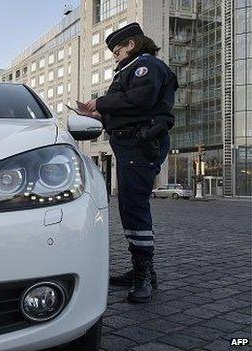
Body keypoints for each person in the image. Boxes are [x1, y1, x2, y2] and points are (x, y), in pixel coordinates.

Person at [85, 23, 178, 303]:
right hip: (131, 144)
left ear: (132, 45)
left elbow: (140, 99)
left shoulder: (144, 65)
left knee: (135, 207)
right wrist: (100, 116)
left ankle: (144, 275)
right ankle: (142, 270)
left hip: (139, 144)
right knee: (129, 206)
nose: (115, 55)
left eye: (117, 49)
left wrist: (99, 103)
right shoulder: (134, 68)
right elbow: (132, 108)